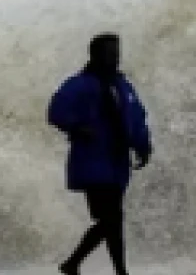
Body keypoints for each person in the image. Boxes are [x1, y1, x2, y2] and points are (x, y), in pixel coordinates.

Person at [48, 32, 153, 275]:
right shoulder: (79, 84)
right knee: (111, 218)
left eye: (117, 52)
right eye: (109, 53)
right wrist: (76, 126)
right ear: (95, 55)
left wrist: (143, 145)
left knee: (111, 220)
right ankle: (117, 271)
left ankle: (73, 264)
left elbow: (137, 118)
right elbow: (55, 111)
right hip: (91, 161)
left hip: (117, 162)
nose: (115, 57)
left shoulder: (123, 86)